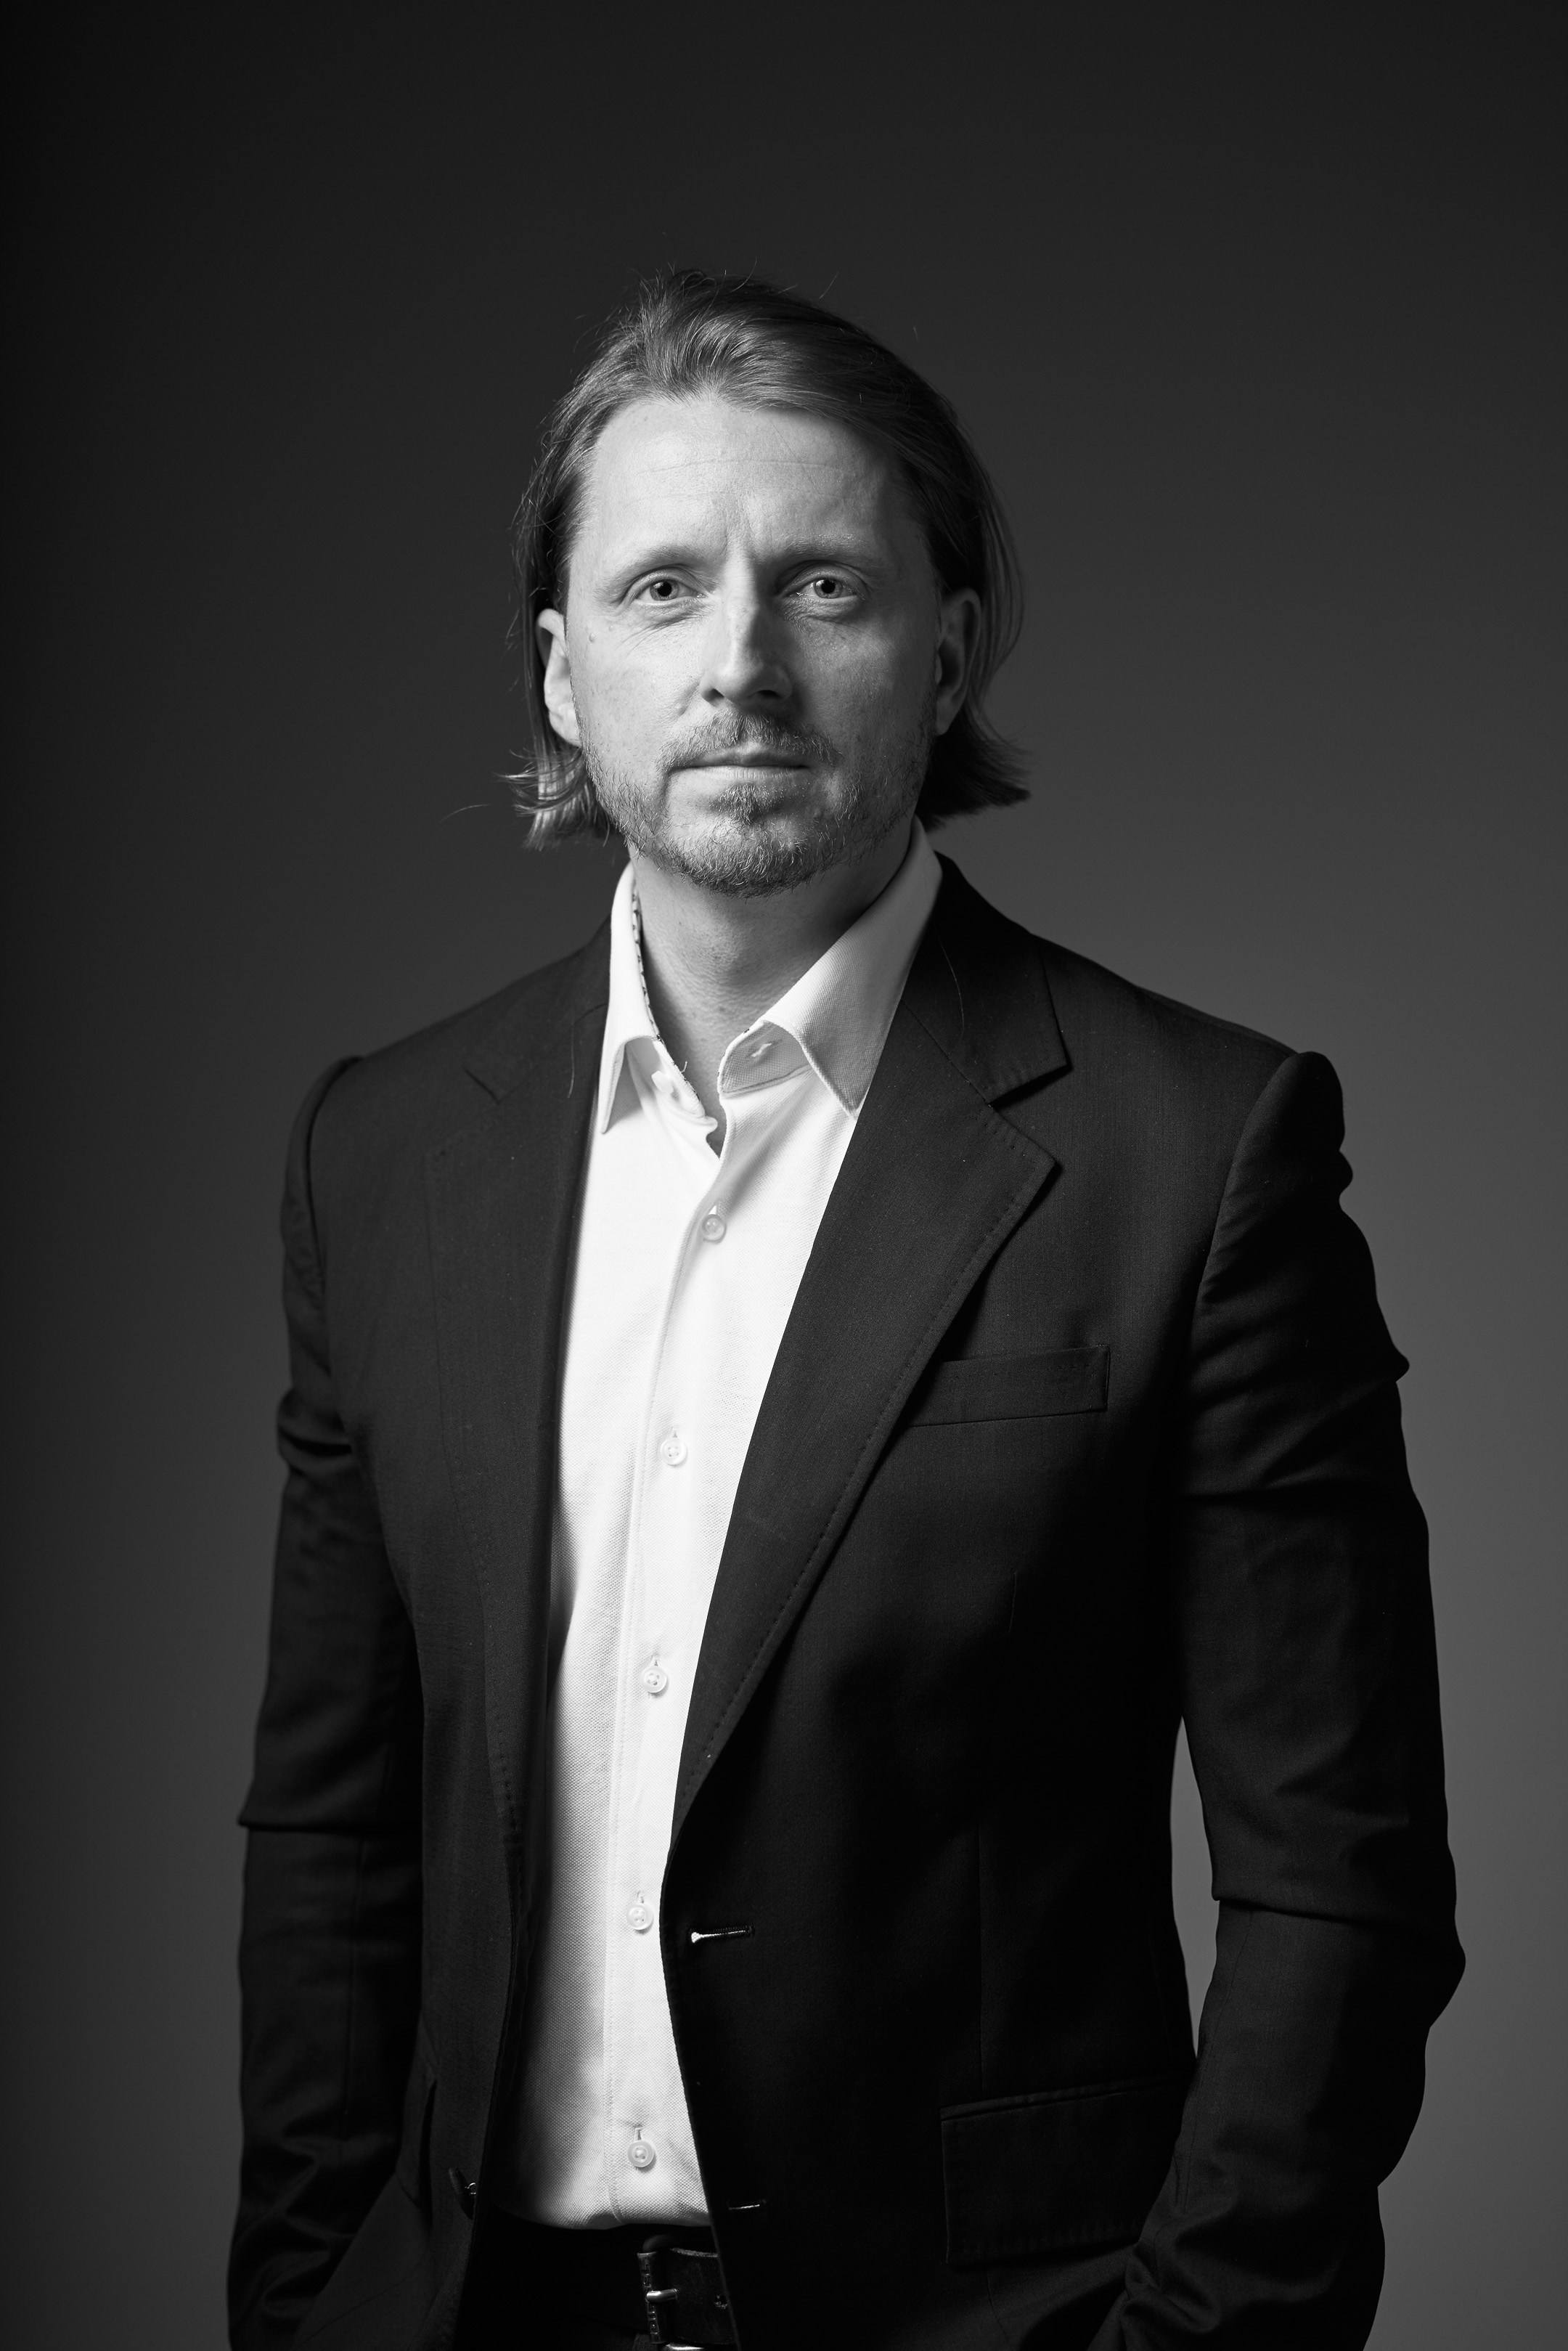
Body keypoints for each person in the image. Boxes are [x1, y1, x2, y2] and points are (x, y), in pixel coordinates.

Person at [229, 271, 1461, 2351]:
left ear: (951, 646)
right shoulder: (382, 1154)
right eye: (661, 593)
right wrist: (301, 2302)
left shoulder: (1204, 1151)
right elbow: (333, 1828)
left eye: (823, 587)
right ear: (560, 677)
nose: (740, 667)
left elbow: (1341, 1886)